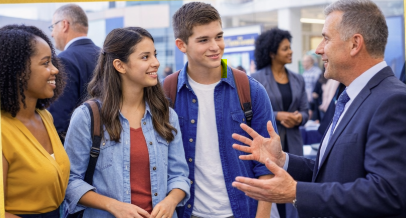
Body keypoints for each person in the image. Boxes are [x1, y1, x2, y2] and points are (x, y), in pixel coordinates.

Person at [231, 0, 406, 217]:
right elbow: (336, 171)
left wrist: (296, 192)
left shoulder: (393, 101)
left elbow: (389, 193)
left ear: (355, 44)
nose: (318, 49)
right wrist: (283, 160)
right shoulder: (352, 95)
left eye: (326, 38)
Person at [64, 27, 190, 218]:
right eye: (145, 57)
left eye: (154, 55)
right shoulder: (88, 116)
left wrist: (170, 201)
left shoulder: (166, 115)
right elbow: (70, 181)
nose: (156, 63)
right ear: (120, 65)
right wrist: (113, 206)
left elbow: (179, 176)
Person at [169, 2, 276, 218]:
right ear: (182, 45)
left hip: (244, 211)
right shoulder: (167, 92)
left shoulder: (250, 89)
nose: (215, 46)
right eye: (203, 40)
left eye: (218, 36)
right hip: (187, 212)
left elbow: (267, 165)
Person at [0, 24, 70, 218]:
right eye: (46, 63)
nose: (55, 69)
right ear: (18, 70)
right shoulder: (3, 130)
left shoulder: (45, 117)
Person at [251, 27, 308, 218]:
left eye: (289, 48)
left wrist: (300, 117)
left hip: (293, 144)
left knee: (294, 192)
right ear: (272, 53)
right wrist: (277, 115)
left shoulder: (298, 79)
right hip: (269, 147)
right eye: (285, 49)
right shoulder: (257, 80)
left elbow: (307, 111)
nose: (291, 51)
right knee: (272, 193)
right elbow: (252, 113)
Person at [48, 4, 100, 143]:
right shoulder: (105, 55)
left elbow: (59, 118)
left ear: (64, 25)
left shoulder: (64, 60)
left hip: (77, 148)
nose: (52, 33)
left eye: (52, 27)